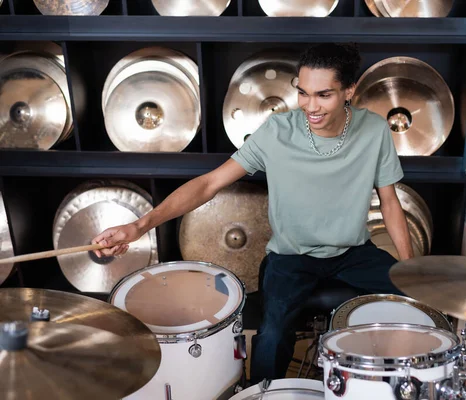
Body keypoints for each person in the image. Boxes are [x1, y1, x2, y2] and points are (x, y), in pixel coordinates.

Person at [92, 43, 414, 383]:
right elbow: (209, 184)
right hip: (291, 257)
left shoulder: (374, 130)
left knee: (419, 305)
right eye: (303, 93)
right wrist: (140, 225)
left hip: (354, 253)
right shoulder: (277, 132)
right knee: (272, 337)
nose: (311, 106)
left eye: (324, 95)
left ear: (349, 91)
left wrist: (410, 270)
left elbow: (390, 202)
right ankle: (263, 392)